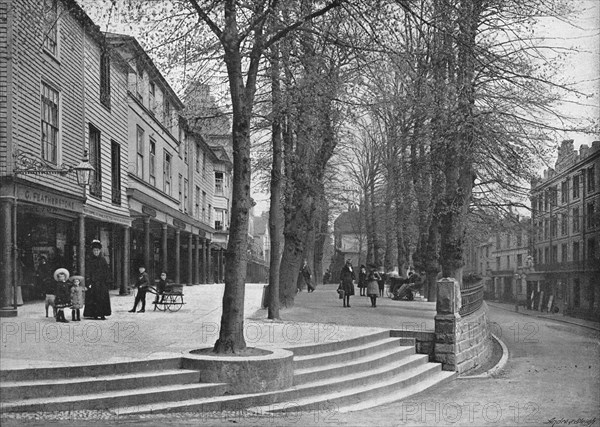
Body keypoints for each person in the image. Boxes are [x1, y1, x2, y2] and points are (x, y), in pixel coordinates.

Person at [84, 240, 112, 320]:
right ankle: (94, 314)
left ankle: (102, 314)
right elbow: (88, 271)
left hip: (102, 283)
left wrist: (107, 281)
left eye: (97, 250)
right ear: (92, 251)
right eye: (94, 250)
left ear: (99, 251)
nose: (96, 252)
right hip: (93, 283)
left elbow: (106, 271)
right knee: (93, 298)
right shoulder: (90, 260)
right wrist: (88, 281)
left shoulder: (103, 260)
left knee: (102, 298)